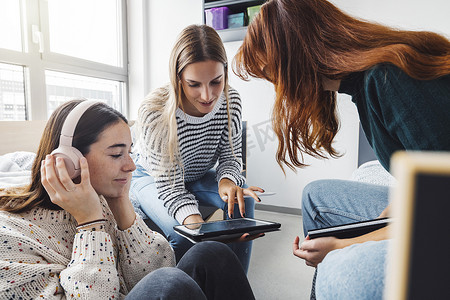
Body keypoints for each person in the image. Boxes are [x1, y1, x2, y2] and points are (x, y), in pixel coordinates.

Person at [233, 0, 450, 298]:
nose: (278, 89)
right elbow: (417, 188)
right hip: (435, 200)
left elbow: (437, 210)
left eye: (275, 76)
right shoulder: (364, 84)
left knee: (340, 269)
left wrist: (343, 247)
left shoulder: (390, 78)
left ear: (295, 59)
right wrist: (367, 230)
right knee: (316, 196)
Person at [0, 99, 255, 300]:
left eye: (130, 152)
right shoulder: (12, 237)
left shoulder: (101, 201)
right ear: (69, 161)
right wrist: (90, 224)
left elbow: (158, 267)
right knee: (170, 282)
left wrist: (121, 203)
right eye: (116, 155)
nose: (132, 165)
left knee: (211, 252)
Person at [130, 24, 263, 273]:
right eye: (194, 84)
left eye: (216, 82)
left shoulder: (230, 101)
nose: (207, 96)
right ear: (177, 78)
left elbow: (231, 157)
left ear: (225, 73)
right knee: (185, 235)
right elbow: (171, 187)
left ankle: (233, 286)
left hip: (197, 175)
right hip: (153, 178)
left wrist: (226, 182)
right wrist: (199, 229)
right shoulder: (155, 111)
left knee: (243, 199)